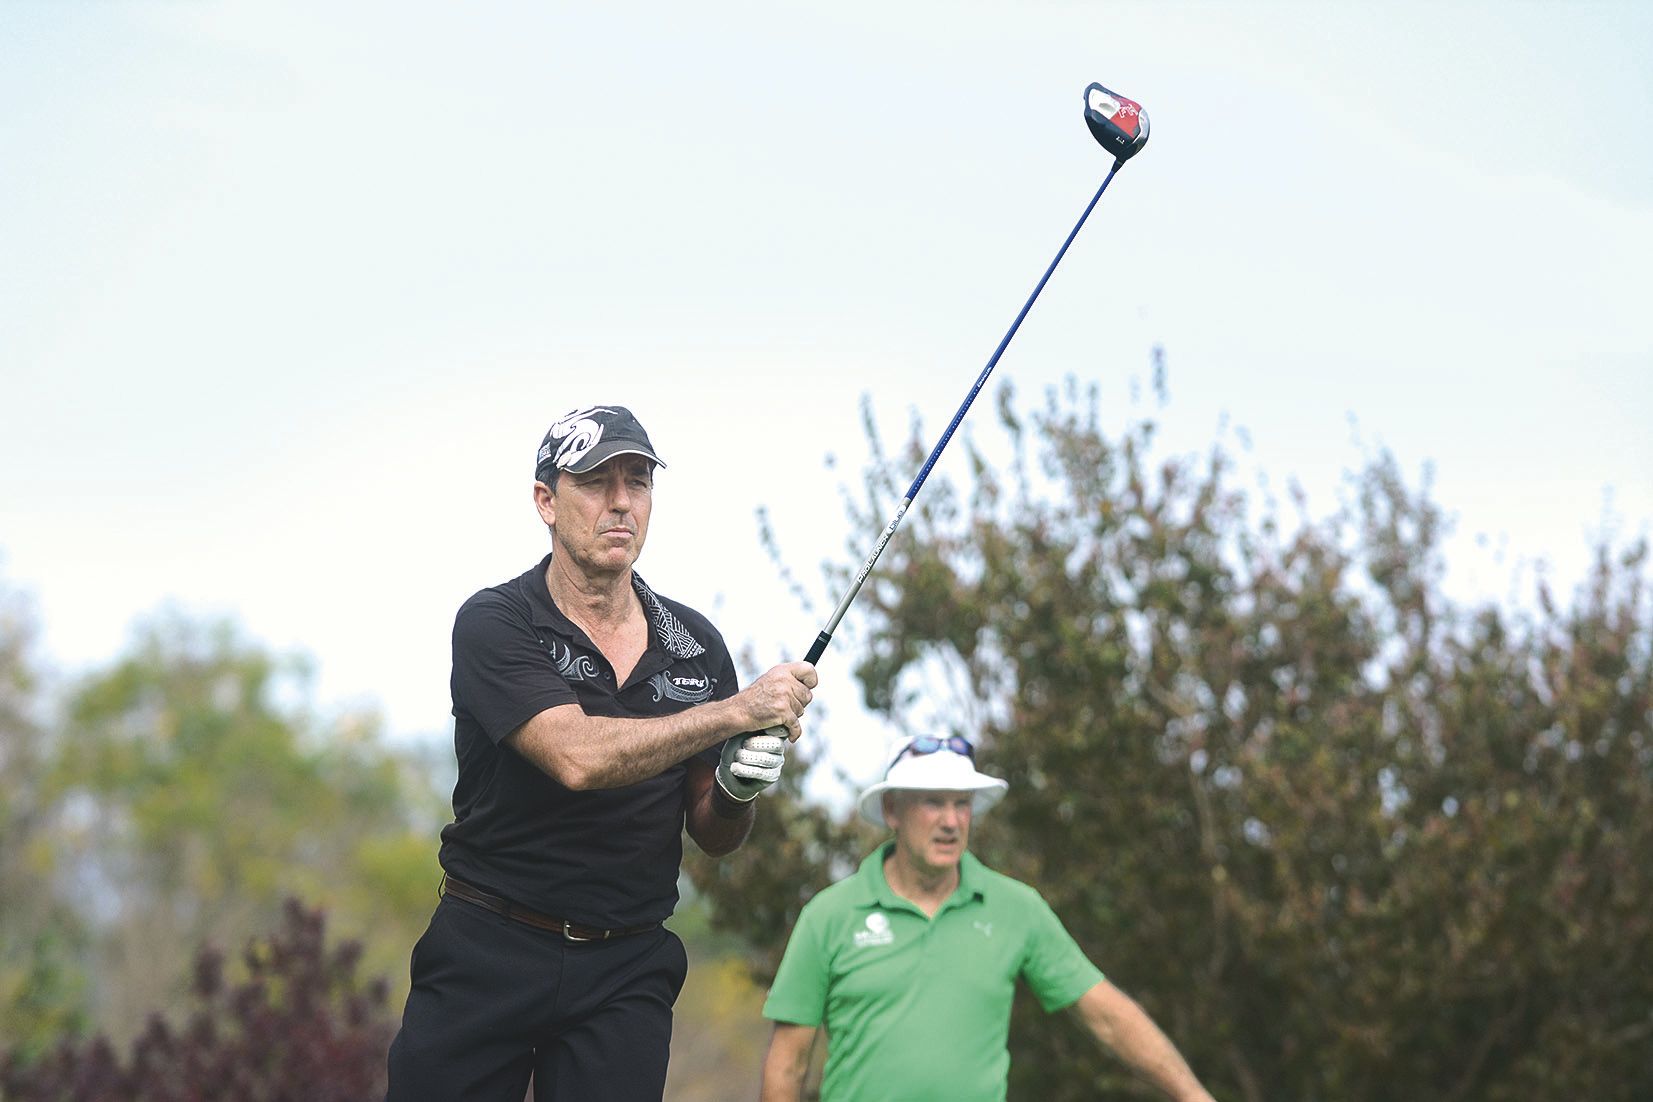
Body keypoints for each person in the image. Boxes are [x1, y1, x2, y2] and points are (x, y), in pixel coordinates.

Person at [386, 404, 818, 1102]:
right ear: (546, 501)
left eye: (638, 481)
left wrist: (736, 792)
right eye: (594, 481)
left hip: (624, 963)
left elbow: (712, 834)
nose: (620, 501)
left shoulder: (696, 645)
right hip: (489, 944)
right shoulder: (496, 622)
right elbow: (575, 757)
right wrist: (733, 713)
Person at [759, 735, 1217, 1102]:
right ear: (892, 810)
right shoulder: (829, 915)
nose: (952, 821)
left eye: (962, 804)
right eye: (933, 802)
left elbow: (1108, 1017)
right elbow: (789, 1065)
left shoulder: (1017, 908)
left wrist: (1193, 1095)